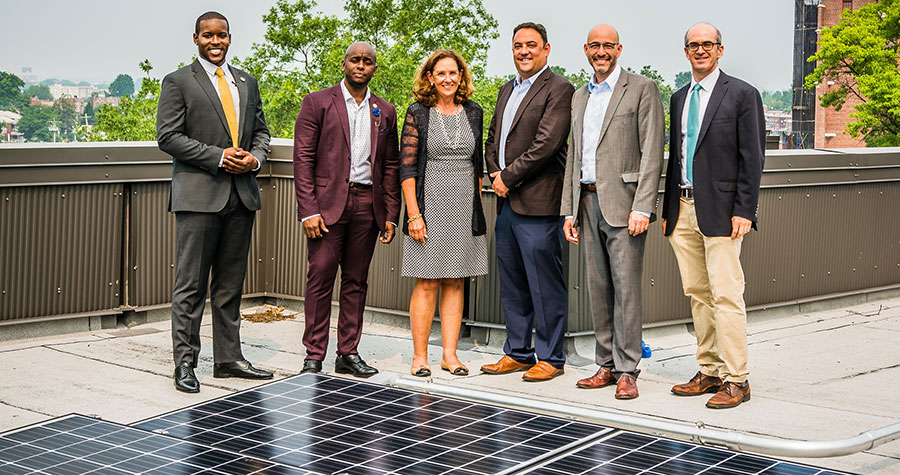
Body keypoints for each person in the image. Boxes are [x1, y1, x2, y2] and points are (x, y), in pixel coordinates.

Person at [157, 11, 273, 393]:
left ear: (229, 37)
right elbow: (168, 137)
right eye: (208, 36)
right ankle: (185, 364)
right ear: (195, 39)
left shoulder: (247, 82)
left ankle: (228, 359)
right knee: (190, 286)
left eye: (221, 35)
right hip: (199, 195)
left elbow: (261, 131)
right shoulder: (177, 82)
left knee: (229, 286)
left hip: (241, 196)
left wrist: (255, 159)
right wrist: (220, 156)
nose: (215, 41)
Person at [662, 22, 764, 409]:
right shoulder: (678, 97)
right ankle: (710, 369)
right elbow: (678, 159)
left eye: (708, 44)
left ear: (720, 49)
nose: (700, 50)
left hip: (723, 213)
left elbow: (753, 159)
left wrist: (745, 211)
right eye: (693, 45)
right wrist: (669, 213)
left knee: (726, 295)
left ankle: (737, 379)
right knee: (698, 296)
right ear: (685, 52)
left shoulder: (741, 94)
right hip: (683, 209)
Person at [560, 24, 665, 399]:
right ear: (585, 49)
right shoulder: (579, 96)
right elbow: (574, 154)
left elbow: (652, 152)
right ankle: (604, 365)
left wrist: (644, 206)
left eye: (608, 45)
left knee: (626, 291)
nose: (601, 51)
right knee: (598, 289)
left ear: (619, 48)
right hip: (586, 203)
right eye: (594, 46)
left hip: (625, 206)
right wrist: (568, 211)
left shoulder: (641, 89)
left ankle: (627, 369)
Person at [292, 42, 401, 378]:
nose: (361, 65)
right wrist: (308, 210)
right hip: (326, 208)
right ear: (344, 64)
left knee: (356, 281)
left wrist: (391, 214)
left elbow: (392, 164)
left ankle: (348, 353)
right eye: (355, 59)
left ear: (374, 69)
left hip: (368, 206)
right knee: (321, 276)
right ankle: (314, 355)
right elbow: (303, 158)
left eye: (368, 62)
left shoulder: (385, 111)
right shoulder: (317, 102)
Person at [481, 22, 575, 382]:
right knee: (514, 283)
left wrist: (507, 177)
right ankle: (518, 352)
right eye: (518, 45)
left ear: (546, 50)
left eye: (531, 45)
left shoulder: (559, 89)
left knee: (544, 283)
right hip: (506, 203)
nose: (523, 51)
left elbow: (547, 144)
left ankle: (550, 357)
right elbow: (492, 139)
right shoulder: (507, 89)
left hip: (539, 202)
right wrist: (494, 173)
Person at [400, 50, 489, 378]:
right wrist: (413, 215)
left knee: (455, 281)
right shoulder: (417, 112)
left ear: (461, 77)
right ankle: (419, 357)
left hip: (465, 207)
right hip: (428, 205)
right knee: (426, 282)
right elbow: (407, 169)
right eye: (441, 74)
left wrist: (477, 211)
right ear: (430, 77)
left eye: (454, 73)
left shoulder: (475, 112)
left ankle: (450, 356)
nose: (448, 79)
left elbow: (477, 166)